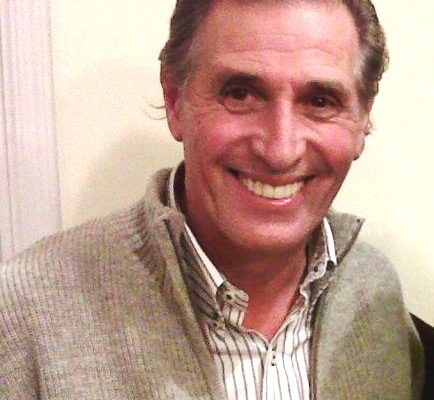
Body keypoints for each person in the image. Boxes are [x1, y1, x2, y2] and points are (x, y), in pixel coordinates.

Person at [0, 0, 425, 399]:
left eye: (320, 101)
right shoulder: (27, 311)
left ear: (362, 118)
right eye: (240, 93)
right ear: (175, 100)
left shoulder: (375, 294)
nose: (280, 150)